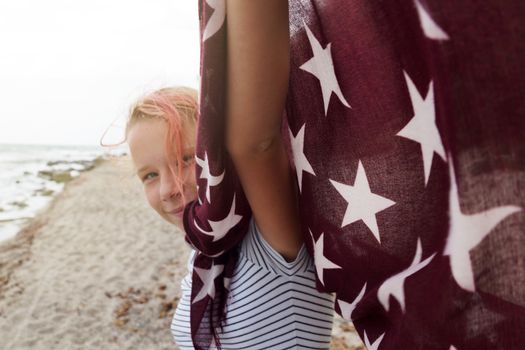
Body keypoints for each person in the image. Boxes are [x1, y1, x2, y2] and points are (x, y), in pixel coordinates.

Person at [125, 86, 335, 349]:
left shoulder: (272, 237)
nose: (168, 189)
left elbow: (260, 145)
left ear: (221, 154)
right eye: (150, 175)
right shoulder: (205, 252)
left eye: (185, 159)